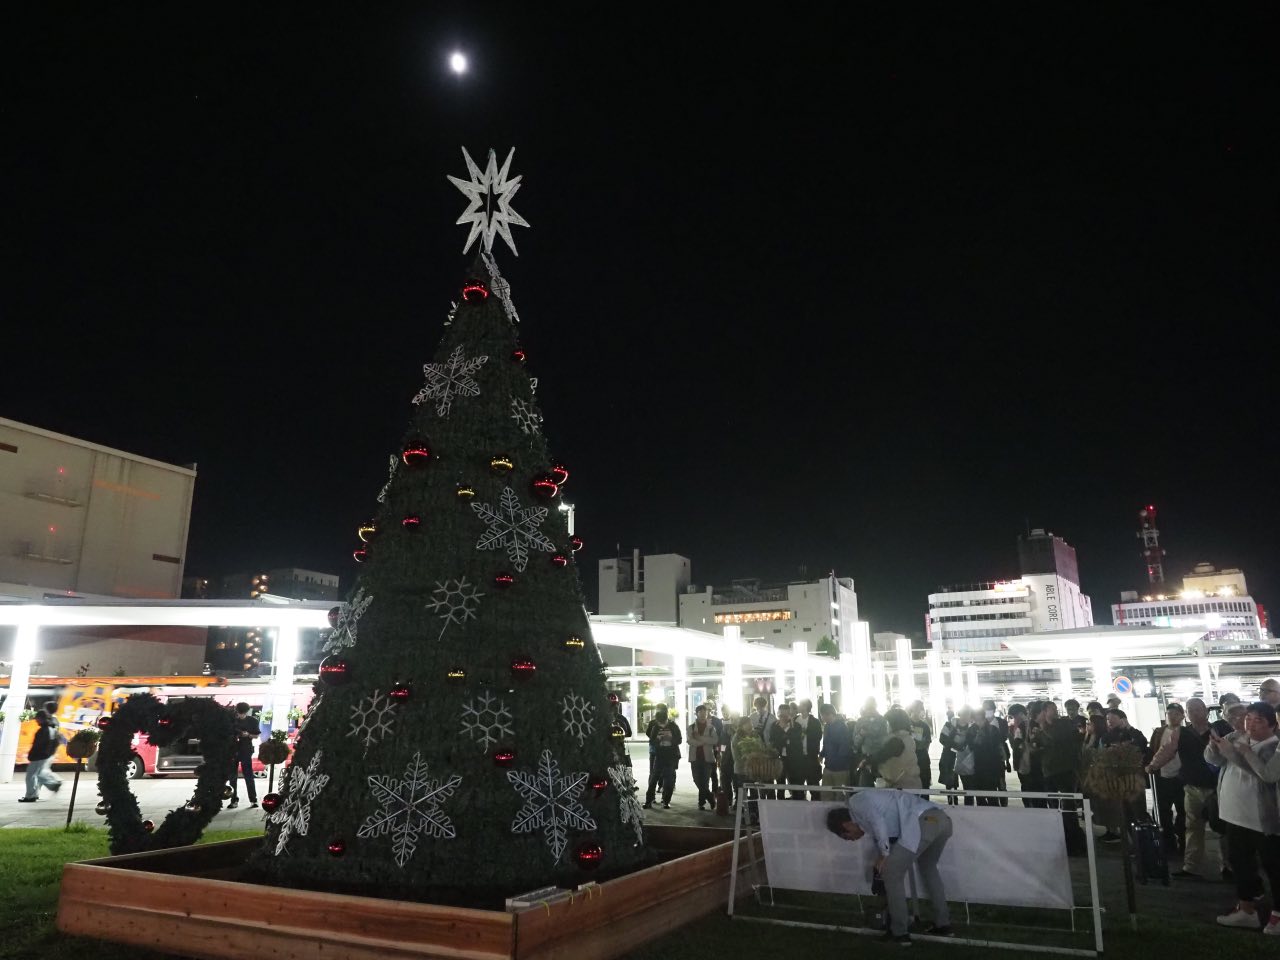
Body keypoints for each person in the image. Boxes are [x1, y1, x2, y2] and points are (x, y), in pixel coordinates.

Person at [827, 791, 954, 945]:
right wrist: (882, 856)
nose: (852, 840)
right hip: (941, 820)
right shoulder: (864, 816)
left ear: (846, 825)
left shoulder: (856, 802)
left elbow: (878, 822)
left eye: (847, 837)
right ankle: (944, 924)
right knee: (928, 867)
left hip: (923, 822)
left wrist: (884, 854)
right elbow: (885, 834)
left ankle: (899, 933)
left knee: (892, 874)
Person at [1205, 702, 1280, 933]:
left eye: (1258, 720)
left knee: (1274, 867)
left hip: (1264, 820)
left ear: (1273, 725)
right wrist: (1215, 748)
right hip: (1234, 815)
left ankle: (1275, 914)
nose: (1250, 723)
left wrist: (1236, 753)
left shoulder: (1273, 747)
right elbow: (1213, 760)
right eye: (1248, 718)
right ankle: (1246, 909)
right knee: (1240, 863)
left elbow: (1266, 775)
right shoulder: (1236, 737)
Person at [1174, 697, 1222, 880]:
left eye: (1197, 709)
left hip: (1216, 787)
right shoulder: (1181, 733)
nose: (1194, 712)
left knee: (1222, 828)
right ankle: (1191, 867)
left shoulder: (1218, 730)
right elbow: (1168, 750)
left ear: (1205, 711)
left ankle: (1228, 866)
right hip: (1192, 786)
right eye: (1190, 710)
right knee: (1193, 826)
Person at [1146, 703, 1187, 857]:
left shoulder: (1186, 733)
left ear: (1183, 716)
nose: (1172, 716)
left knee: (1183, 811)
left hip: (1181, 778)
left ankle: (1183, 842)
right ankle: (1168, 843)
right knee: (1163, 811)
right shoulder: (1158, 732)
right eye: (1169, 713)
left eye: (1176, 713)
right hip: (1161, 777)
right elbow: (1153, 752)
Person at [18, 700, 64, 802]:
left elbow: (39, 744)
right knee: (39, 773)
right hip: (47, 753)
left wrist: (32, 754)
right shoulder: (53, 723)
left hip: (41, 754)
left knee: (34, 774)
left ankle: (52, 784)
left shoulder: (47, 727)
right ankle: (35, 793)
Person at [874, 708, 924, 790]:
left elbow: (880, 758)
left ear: (893, 723)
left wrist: (869, 761)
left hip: (900, 787)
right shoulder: (908, 738)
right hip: (912, 784)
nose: (886, 726)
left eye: (887, 722)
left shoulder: (895, 740)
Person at [643, 705, 682, 809]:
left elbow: (679, 739)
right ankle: (649, 800)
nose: (661, 725)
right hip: (659, 755)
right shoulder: (655, 726)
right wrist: (658, 739)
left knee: (669, 779)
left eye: (662, 723)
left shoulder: (673, 726)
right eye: (659, 723)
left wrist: (670, 738)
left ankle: (666, 801)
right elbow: (651, 741)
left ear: (666, 719)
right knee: (653, 778)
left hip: (671, 755)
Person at [686, 704, 719, 811]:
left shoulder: (711, 728)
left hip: (707, 758)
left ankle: (701, 802)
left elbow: (715, 741)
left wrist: (699, 738)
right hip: (695, 758)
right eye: (701, 713)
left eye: (705, 713)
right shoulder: (691, 727)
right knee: (696, 780)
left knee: (704, 781)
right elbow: (690, 741)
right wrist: (704, 741)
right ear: (696, 714)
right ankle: (710, 797)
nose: (703, 715)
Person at [227, 702, 260, 809]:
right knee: (232, 776)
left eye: (243, 713)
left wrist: (248, 735)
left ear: (246, 711)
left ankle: (253, 799)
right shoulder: (232, 721)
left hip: (246, 750)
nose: (241, 715)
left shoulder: (253, 721)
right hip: (233, 750)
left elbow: (256, 735)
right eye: (239, 713)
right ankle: (234, 800)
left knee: (248, 775)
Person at [768, 703, 804, 799]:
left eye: (785, 715)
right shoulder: (774, 726)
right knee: (780, 783)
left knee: (795, 782)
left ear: (789, 714)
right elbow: (772, 741)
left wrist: (786, 730)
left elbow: (796, 741)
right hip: (779, 759)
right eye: (780, 715)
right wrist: (785, 737)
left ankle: (797, 801)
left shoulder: (796, 726)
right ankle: (780, 803)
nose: (783, 718)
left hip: (794, 759)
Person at [852, 698, 890, 788]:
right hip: (865, 759)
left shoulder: (883, 721)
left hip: (881, 759)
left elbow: (887, 740)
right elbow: (855, 742)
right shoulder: (860, 721)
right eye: (868, 707)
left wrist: (873, 735)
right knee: (865, 787)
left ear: (876, 707)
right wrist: (861, 734)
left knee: (882, 789)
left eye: (872, 707)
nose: (870, 710)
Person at [937, 707, 970, 804]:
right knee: (950, 784)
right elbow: (942, 739)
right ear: (960, 714)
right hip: (949, 758)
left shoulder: (971, 728)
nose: (966, 717)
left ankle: (968, 807)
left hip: (965, 759)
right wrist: (957, 746)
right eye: (965, 714)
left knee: (968, 784)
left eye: (968, 715)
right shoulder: (950, 725)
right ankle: (952, 804)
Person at [792, 699, 824, 799]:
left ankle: (817, 803)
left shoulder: (815, 722)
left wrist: (806, 733)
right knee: (798, 783)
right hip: (798, 757)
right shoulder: (796, 719)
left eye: (801, 704)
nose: (798, 706)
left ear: (806, 707)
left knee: (813, 783)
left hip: (810, 756)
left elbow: (818, 736)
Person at [818, 702, 852, 795]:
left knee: (840, 795)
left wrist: (835, 760)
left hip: (840, 767)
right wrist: (822, 754)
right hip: (829, 766)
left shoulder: (842, 727)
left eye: (822, 715)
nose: (822, 718)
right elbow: (826, 744)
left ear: (829, 714)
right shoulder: (827, 726)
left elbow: (844, 747)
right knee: (826, 794)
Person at [907, 701, 933, 788]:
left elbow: (927, 743)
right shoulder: (906, 724)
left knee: (924, 785)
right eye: (918, 707)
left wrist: (921, 747)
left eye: (921, 708)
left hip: (922, 760)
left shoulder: (924, 726)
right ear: (912, 709)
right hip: (909, 760)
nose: (920, 710)